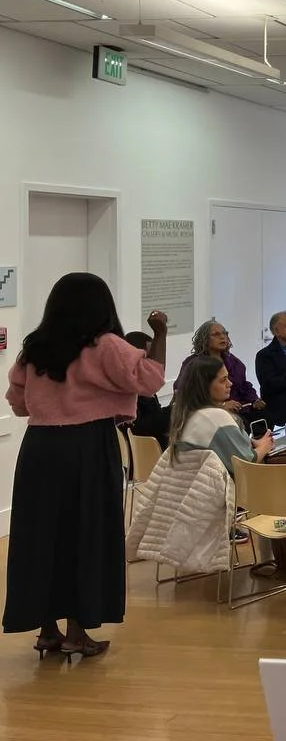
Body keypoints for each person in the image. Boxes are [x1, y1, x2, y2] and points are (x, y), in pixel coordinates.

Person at [3, 273, 167, 661]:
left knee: (41, 536)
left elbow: (18, 402)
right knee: (88, 534)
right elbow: (150, 380)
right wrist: (159, 333)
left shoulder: (36, 347)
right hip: (89, 447)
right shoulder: (105, 345)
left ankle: (47, 631)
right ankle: (78, 633)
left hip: (40, 448)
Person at [169, 355, 274, 472]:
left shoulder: (185, 414)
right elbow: (245, 464)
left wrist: (252, 443)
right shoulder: (216, 417)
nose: (230, 383)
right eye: (223, 380)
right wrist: (265, 446)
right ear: (205, 386)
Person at [179, 320, 268, 431]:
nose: (222, 337)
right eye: (216, 334)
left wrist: (254, 400)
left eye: (224, 333)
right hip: (210, 412)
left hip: (240, 408)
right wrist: (221, 405)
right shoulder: (193, 363)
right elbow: (187, 395)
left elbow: (244, 386)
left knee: (265, 415)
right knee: (242, 425)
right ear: (204, 339)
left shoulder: (233, 361)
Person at [124, 330, 169, 448]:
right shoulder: (128, 392)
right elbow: (142, 428)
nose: (153, 366)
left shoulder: (145, 387)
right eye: (149, 358)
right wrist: (173, 411)